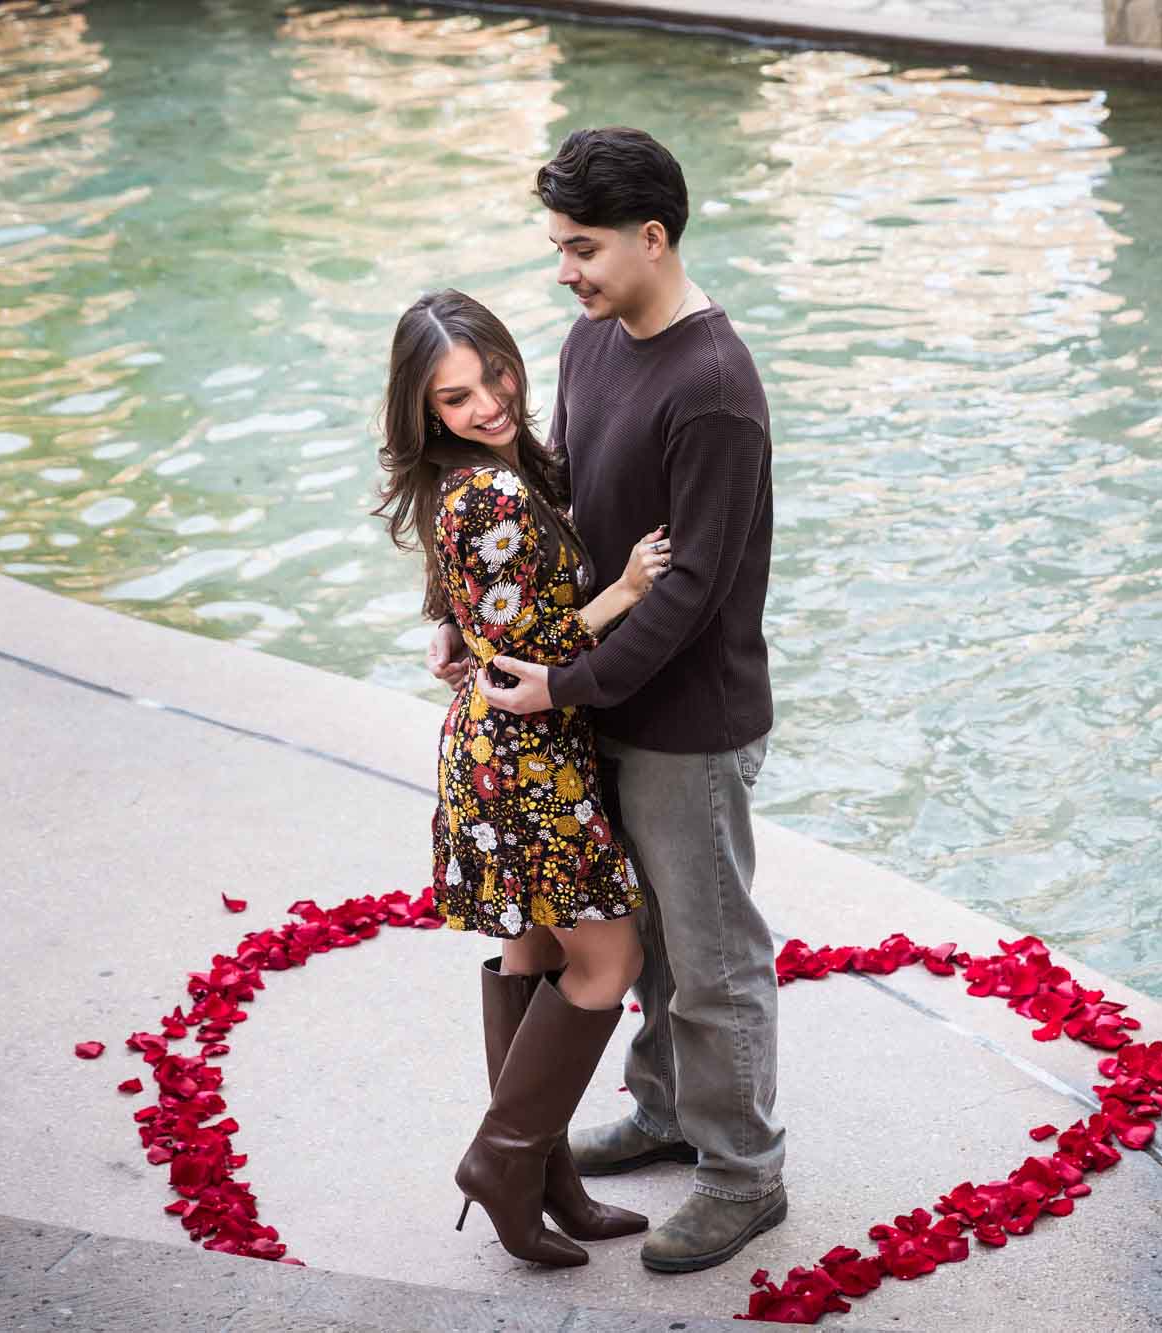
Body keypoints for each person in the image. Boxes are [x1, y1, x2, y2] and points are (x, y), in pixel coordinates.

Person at [461, 126, 785, 1275]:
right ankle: (659, 1113)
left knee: (710, 958)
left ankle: (742, 1172)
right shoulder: (590, 341)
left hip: (685, 728)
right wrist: (489, 624)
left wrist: (563, 681)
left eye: (583, 247)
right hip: (596, 696)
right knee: (637, 938)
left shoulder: (714, 390)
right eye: (556, 246)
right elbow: (563, 494)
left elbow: (690, 593)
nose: (565, 271)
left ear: (654, 238)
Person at [374, 288, 673, 1268]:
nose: (487, 404)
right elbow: (530, 653)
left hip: (504, 754)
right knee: (607, 959)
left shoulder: (483, 478)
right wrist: (627, 589)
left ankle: (546, 1178)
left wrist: (450, 625)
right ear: (425, 414)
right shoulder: (490, 492)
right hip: (524, 757)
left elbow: (477, 604)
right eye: (454, 400)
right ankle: (503, 1161)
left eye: (491, 376)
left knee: (536, 952)